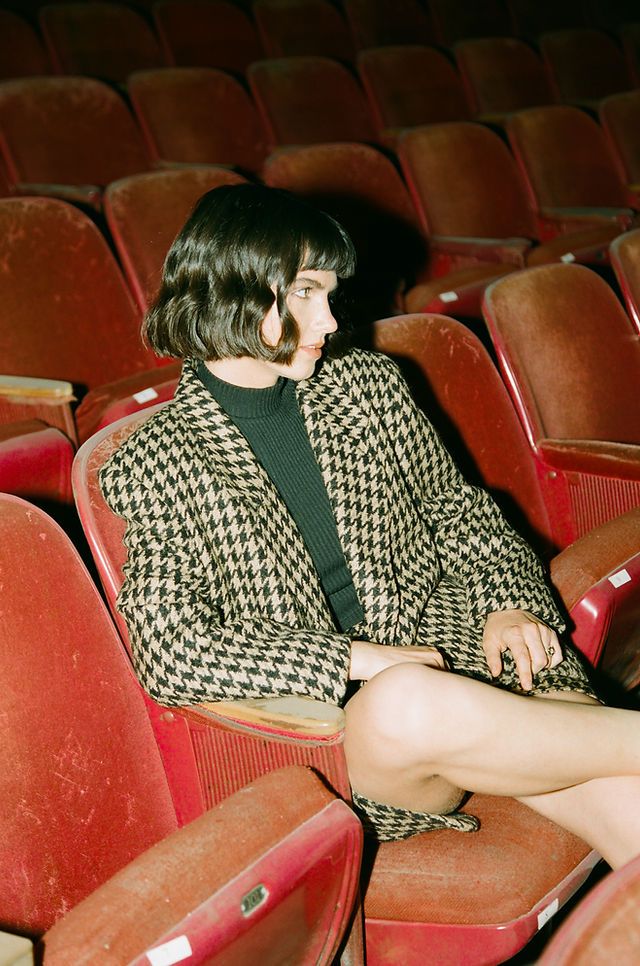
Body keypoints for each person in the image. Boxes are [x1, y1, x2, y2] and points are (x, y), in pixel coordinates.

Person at [100, 183, 640, 865]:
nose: (328, 321)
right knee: (405, 700)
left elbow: (459, 509)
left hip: (472, 660)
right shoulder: (159, 461)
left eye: (330, 294)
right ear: (230, 289)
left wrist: (507, 604)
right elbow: (171, 648)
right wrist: (359, 660)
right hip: (352, 734)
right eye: (304, 292)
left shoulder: (366, 385)